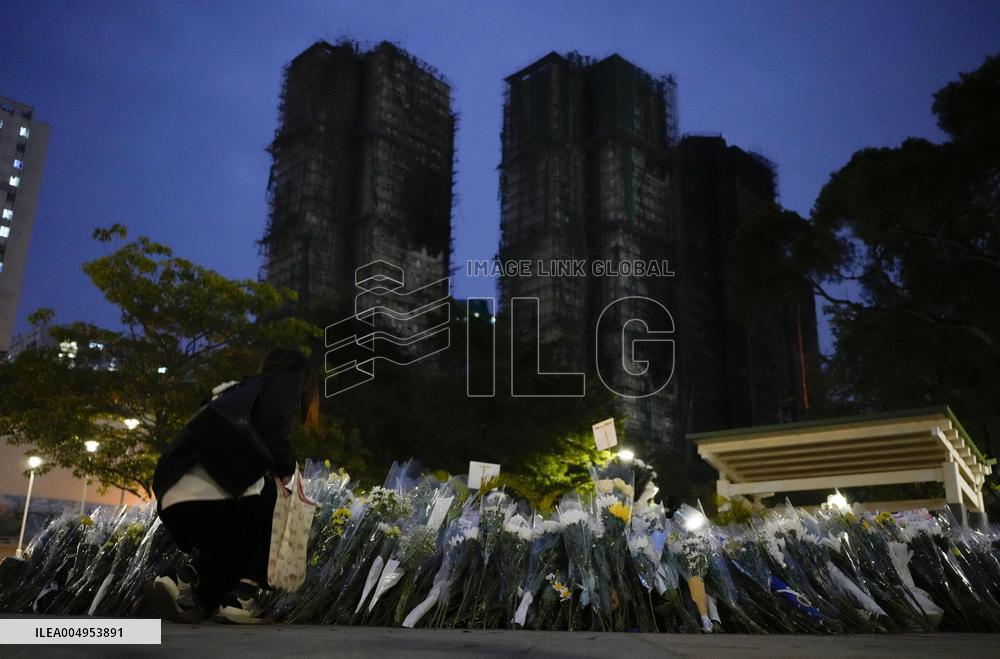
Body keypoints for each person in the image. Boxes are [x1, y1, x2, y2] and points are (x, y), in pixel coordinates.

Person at [147, 348, 319, 624]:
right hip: (210, 496)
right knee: (276, 507)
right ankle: (241, 598)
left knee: (234, 539)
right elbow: (270, 427)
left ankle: (179, 579)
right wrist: (287, 470)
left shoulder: (234, 390)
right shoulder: (282, 383)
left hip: (173, 496)